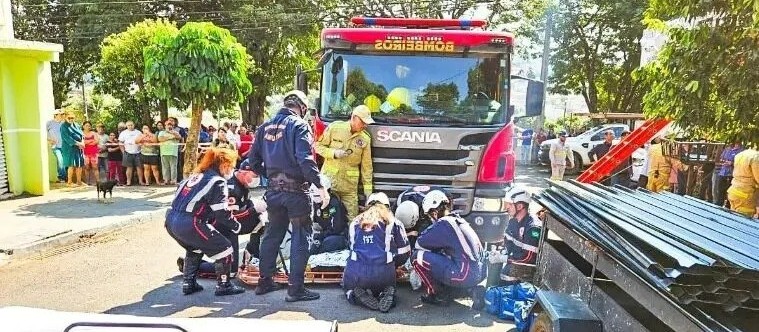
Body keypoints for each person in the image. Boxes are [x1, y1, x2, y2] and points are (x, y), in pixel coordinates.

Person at [248, 90, 330, 302]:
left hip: (273, 192)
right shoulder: (299, 125)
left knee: (272, 234)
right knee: (302, 238)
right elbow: (305, 159)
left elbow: (253, 161)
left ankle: (264, 282)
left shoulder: (264, 126)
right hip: (296, 193)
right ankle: (296, 289)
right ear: (302, 107)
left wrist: (270, 176)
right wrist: (319, 185)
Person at [164, 147, 245, 296]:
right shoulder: (217, 181)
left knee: (194, 247)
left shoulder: (194, 177)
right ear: (223, 164)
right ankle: (224, 285)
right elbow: (222, 213)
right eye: (232, 166)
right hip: (190, 222)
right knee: (225, 249)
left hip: (171, 220)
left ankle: (189, 283)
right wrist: (236, 225)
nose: (232, 170)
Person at [176, 160, 267, 277]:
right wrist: (253, 210)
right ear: (244, 172)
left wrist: (255, 211)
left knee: (260, 223)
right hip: (220, 224)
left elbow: (245, 204)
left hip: (230, 223)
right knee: (231, 271)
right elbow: (229, 217)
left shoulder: (242, 183)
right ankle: (193, 267)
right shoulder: (231, 188)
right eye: (255, 176)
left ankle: (251, 257)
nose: (257, 179)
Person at [412, 190, 486, 309]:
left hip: (464, 274)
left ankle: (437, 294)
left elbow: (419, 243)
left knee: (416, 257)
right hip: (479, 273)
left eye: (430, 215)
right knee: (448, 258)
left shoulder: (443, 224)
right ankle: (471, 291)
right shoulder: (460, 220)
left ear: (434, 211)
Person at [343, 192, 410, 312]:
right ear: (387, 207)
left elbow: (351, 248)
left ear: (367, 205)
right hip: (384, 273)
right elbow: (405, 252)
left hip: (358, 274)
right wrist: (394, 265)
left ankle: (353, 294)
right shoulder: (394, 222)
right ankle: (387, 294)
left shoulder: (354, 223)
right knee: (387, 285)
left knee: (346, 286)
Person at [315, 105, 375, 220]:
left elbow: (367, 168)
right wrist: (334, 153)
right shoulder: (335, 128)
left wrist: (368, 193)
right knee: (327, 217)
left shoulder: (365, 139)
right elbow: (317, 146)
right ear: (353, 118)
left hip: (349, 189)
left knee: (351, 220)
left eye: (366, 123)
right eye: (362, 122)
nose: (364, 125)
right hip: (329, 185)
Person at [487, 186, 541, 284]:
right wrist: (500, 253)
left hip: (529, 267)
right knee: (492, 264)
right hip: (517, 261)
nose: (506, 207)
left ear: (520, 206)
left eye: (509, 205)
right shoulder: (513, 222)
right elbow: (508, 245)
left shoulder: (533, 228)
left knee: (507, 273)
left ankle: (506, 294)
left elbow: (528, 258)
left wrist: (504, 259)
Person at [309, 175, 350, 255]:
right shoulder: (316, 204)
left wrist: (320, 236)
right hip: (324, 235)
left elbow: (336, 229)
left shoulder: (334, 204)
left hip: (338, 236)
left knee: (328, 244)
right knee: (311, 247)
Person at [726, 147, 758, 218]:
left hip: (734, 191)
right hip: (745, 195)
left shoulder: (741, 154)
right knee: (743, 223)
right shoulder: (756, 158)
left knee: (734, 219)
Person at [715, 141, 744, 207]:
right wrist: (723, 161)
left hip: (732, 174)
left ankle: (728, 207)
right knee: (720, 191)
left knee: (730, 193)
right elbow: (721, 158)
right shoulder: (727, 149)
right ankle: (718, 206)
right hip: (722, 173)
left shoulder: (742, 151)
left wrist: (731, 163)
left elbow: (742, 164)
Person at [60, 112, 85, 187]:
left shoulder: (76, 125)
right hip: (69, 148)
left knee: (79, 164)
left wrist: (82, 143)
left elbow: (82, 135)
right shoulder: (63, 126)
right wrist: (78, 143)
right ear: (65, 117)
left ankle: (79, 182)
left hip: (79, 147)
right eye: (69, 118)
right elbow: (67, 138)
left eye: (72, 118)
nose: (71, 119)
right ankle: (69, 182)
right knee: (71, 164)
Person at [119, 121, 144, 186]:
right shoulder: (123, 133)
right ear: (126, 126)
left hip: (138, 152)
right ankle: (128, 182)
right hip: (127, 152)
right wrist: (123, 152)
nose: (130, 126)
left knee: (139, 167)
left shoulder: (138, 132)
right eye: (128, 125)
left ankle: (141, 181)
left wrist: (141, 149)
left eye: (131, 125)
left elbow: (143, 141)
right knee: (129, 168)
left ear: (134, 125)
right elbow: (120, 143)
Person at [159, 120, 182, 185]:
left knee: (173, 167)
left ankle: (173, 180)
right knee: (165, 167)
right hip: (164, 152)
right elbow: (160, 139)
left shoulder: (175, 132)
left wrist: (172, 133)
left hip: (173, 152)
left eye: (171, 125)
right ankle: (166, 180)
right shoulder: (162, 132)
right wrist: (171, 137)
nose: (169, 126)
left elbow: (179, 137)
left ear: (173, 126)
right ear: (165, 126)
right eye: (168, 125)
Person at [46, 109, 67, 183]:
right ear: (55, 115)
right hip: (55, 146)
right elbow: (44, 133)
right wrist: (49, 140)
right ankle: (62, 177)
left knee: (64, 162)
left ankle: (64, 177)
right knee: (60, 160)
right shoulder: (49, 123)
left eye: (62, 114)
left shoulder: (64, 123)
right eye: (60, 114)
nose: (62, 116)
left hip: (64, 146)